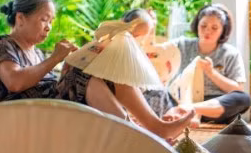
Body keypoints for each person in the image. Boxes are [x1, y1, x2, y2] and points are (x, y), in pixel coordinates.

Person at [56, 11, 195, 140]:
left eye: (141, 39)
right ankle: (145, 131)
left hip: (96, 99)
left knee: (120, 77)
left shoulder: (134, 56)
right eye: (133, 36)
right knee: (115, 72)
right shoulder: (104, 43)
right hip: (73, 92)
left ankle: (154, 127)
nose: (137, 42)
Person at [0, 0, 76, 103]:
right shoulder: (1, 45)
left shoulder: (38, 53)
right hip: (19, 116)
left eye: (51, 22)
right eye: (44, 20)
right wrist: (55, 58)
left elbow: (50, 87)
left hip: (49, 111)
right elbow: (14, 82)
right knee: (85, 79)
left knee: (83, 74)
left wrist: (67, 70)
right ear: (20, 18)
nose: (48, 27)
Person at [167, 3, 251, 123]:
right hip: (182, 100)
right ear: (197, 26)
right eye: (203, 26)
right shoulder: (182, 45)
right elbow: (158, 52)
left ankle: (192, 111)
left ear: (223, 30)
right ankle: (186, 111)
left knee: (243, 99)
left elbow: (237, 89)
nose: (207, 31)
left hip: (213, 105)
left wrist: (211, 72)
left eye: (214, 28)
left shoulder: (231, 53)